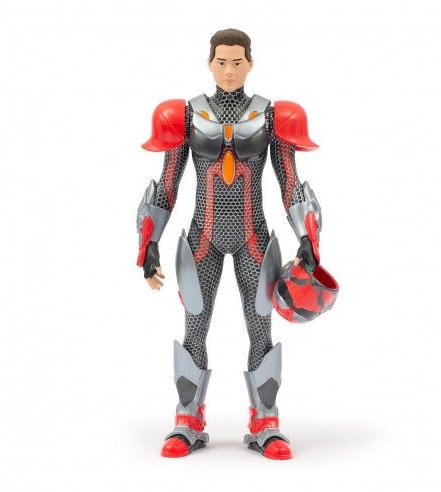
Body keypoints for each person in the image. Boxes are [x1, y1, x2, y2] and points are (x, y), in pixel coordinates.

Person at [136, 28, 322, 460]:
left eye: (237, 62)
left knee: (260, 328)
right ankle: (188, 418)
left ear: (250, 63)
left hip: (253, 238)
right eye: (222, 61)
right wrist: (149, 242)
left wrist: (307, 237)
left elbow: (290, 183)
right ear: (210, 63)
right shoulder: (185, 115)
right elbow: (168, 183)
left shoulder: (272, 116)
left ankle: (265, 420)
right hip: (202, 238)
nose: (229, 70)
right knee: (194, 326)